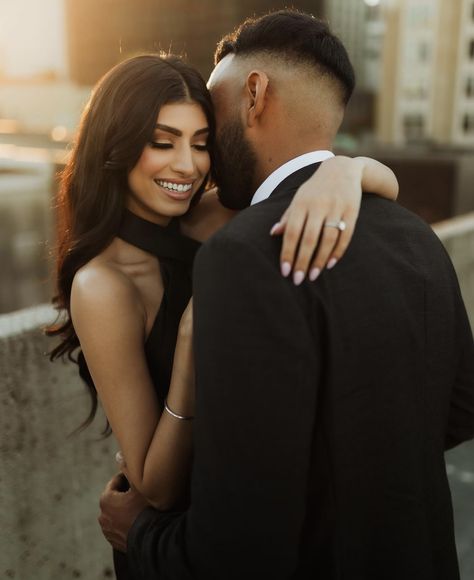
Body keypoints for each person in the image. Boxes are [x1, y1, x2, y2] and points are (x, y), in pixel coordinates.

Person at [98, 9, 474, 580]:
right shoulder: (416, 237)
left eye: (212, 108)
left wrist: (141, 535)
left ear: (254, 94)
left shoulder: (242, 254)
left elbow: (238, 548)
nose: (202, 151)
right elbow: (460, 409)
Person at [47, 52, 398, 578]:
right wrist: (191, 346)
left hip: (261, 518)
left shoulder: (215, 214)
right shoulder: (103, 285)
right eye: (162, 143)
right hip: (175, 545)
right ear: (115, 146)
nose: (187, 167)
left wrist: (344, 173)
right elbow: (155, 484)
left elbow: (389, 189)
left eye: (201, 143)